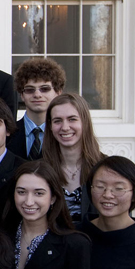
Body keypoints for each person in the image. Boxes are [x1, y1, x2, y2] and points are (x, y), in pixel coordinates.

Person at [43, 93, 104, 222]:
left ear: (85, 122)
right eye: (57, 121)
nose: (65, 127)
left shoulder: (108, 169)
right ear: (50, 126)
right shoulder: (40, 170)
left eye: (72, 119)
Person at [7, 58, 66, 160]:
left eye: (45, 89)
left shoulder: (66, 134)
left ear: (58, 92)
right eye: (30, 90)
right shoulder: (6, 134)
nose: (37, 95)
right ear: (21, 94)